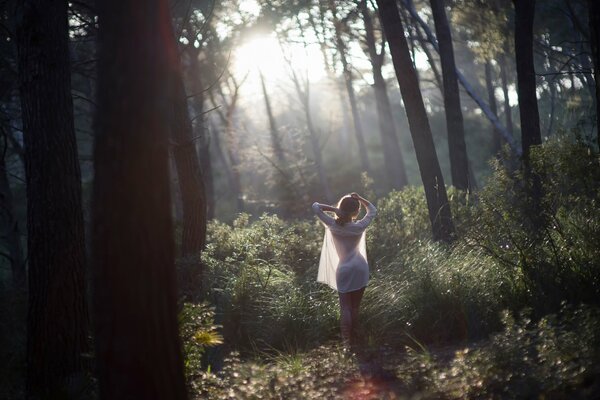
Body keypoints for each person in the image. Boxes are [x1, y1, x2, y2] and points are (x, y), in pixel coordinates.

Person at [311, 192, 377, 348]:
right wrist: (360, 198)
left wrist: (335, 211)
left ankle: (347, 342)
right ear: (356, 212)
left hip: (344, 269)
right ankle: (357, 337)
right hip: (360, 267)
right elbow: (372, 210)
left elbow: (316, 206)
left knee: (345, 307)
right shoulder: (360, 225)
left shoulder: (332, 224)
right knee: (355, 307)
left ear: (341, 209)